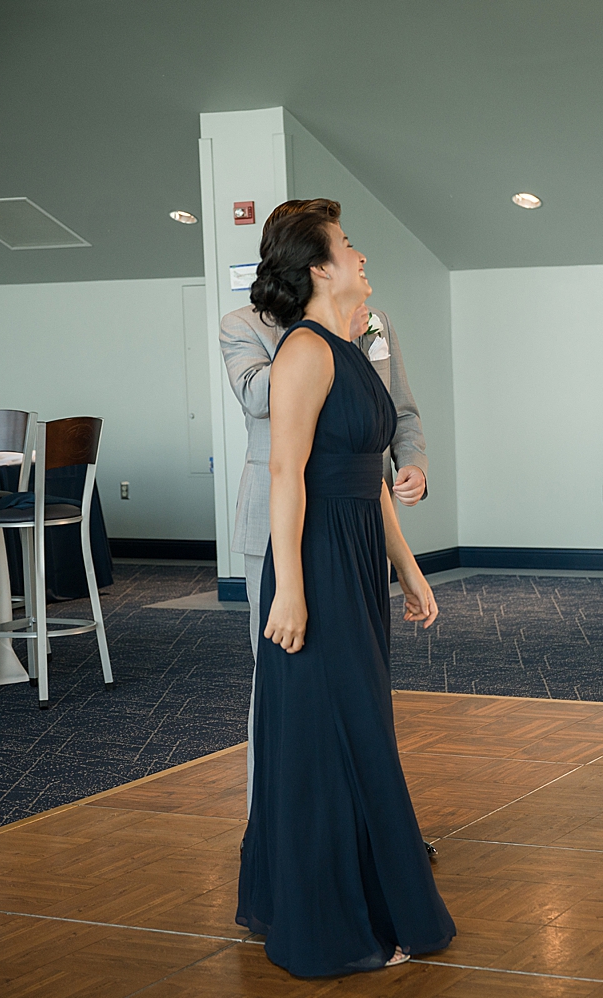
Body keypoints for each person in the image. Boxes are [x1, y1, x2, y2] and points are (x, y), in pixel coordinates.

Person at [235, 198, 455, 974]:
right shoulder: (303, 352)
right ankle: (334, 922)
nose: (361, 255)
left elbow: (371, 480)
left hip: (358, 550)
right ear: (320, 266)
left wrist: (408, 567)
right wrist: (288, 590)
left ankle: (326, 897)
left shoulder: (353, 348)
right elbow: (287, 474)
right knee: (335, 736)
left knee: (358, 728)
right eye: (348, 245)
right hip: (316, 558)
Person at [220, 209, 430, 812]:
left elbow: (399, 411)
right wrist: (325, 331)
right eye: (345, 243)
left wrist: (410, 461)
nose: (360, 255)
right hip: (280, 527)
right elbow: (264, 401)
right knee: (287, 690)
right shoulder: (248, 326)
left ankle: (362, 826)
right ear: (307, 261)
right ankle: (277, 823)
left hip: (357, 521)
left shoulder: (373, 322)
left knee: (359, 692)